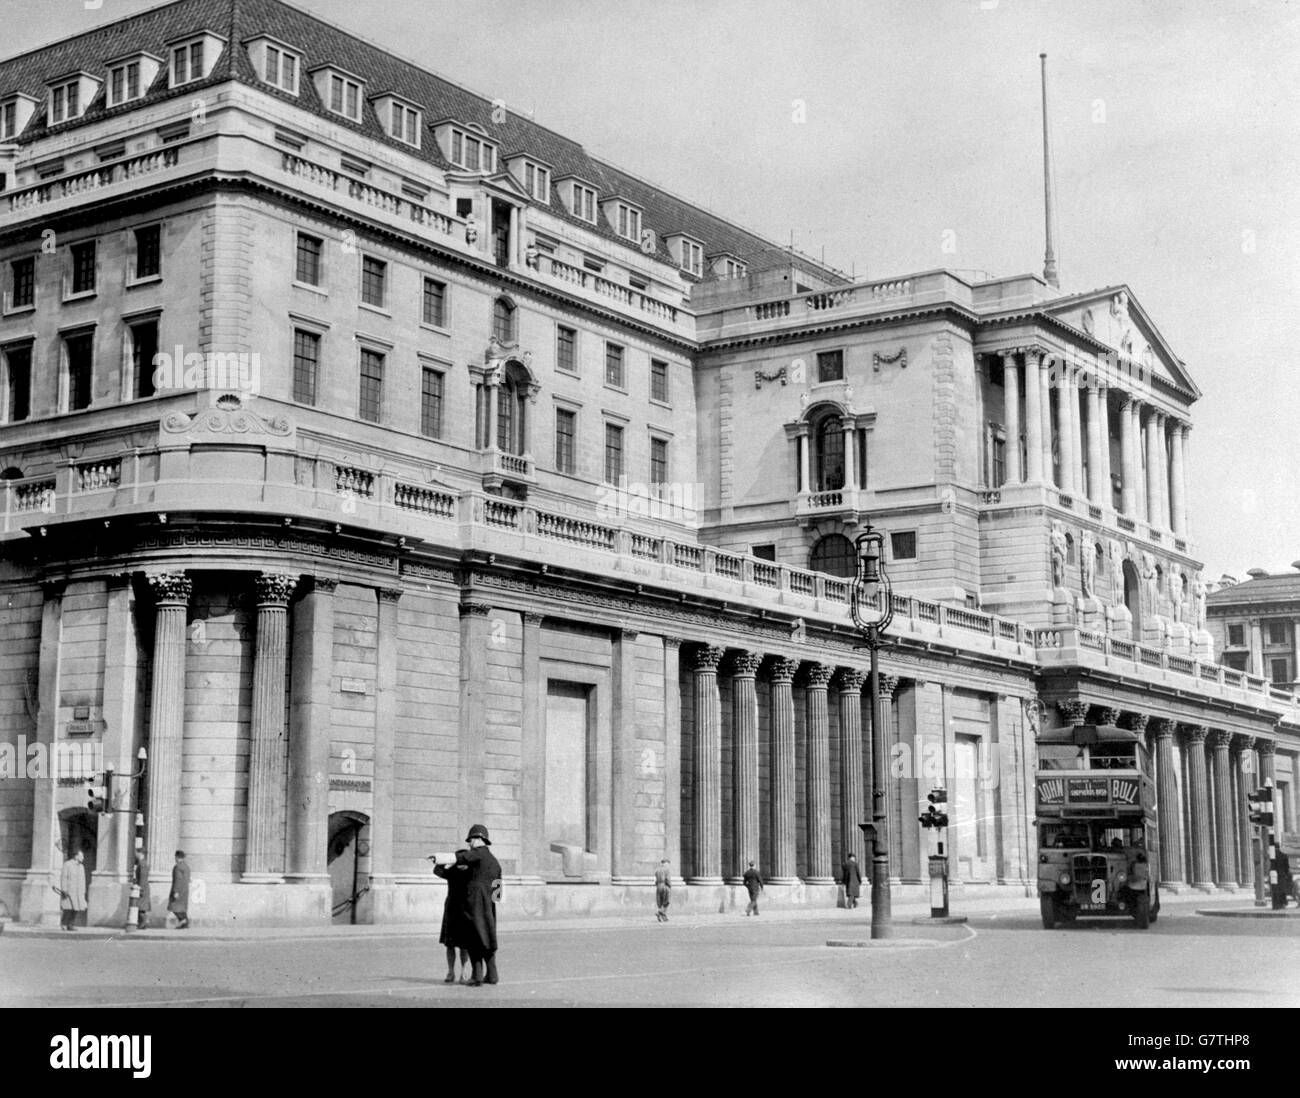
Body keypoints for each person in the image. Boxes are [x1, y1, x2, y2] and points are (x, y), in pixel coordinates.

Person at [456, 824, 502, 986]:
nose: (469, 844)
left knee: (473, 939)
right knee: (488, 939)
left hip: (474, 905)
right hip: (489, 907)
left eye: (471, 840)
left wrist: (439, 858)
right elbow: (498, 892)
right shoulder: (495, 862)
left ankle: (477, 977)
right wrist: (491, 904)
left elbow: (461, 858)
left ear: (478, 839)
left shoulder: (477, 853)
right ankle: (492, 975)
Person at [433, 845, 471, 983]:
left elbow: (437, 870)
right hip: (453, 909)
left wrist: (444, 862)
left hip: (461, 909)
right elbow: (437, 870)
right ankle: (455, 972)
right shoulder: (454, 871)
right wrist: (443, 860)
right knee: (452, 944)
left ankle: (461, 972)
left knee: (462, 945)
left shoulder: (470, 872)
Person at [57, 849, 87, 931]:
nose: (83, 858)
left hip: (78, 891)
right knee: (68, 908)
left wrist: (83, 891)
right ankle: (63, 924)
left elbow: (83, 879)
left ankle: (71, 924)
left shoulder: (81, 867)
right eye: (81, 856)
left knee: (76, 909)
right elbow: (64, 877)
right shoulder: (67, 864)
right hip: (70, 890)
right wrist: (64, 889)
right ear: (76, 856)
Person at [168, 850, 191, 929]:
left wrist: (176, 891)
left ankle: (183, 921)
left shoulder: (178, 867)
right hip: (185, 890)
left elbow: (178, 879)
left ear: (177, 857)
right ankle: (184, 923)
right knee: (182, 908)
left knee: (174, 907)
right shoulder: (186, 867)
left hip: (178, 890)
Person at [135, 852, 152, 929]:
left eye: (137, 853)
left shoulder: (142, 864)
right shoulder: (142, 863)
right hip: (144, 887)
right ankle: (143, 923)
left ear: (140, 854)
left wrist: (140, 889)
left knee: (141, 907)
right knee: (141, 907)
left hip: (142, 888)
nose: (136, 854)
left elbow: (142, 878)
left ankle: (143, 923)